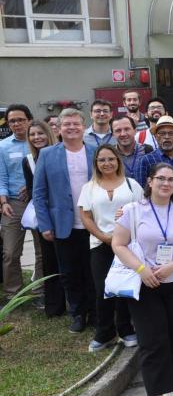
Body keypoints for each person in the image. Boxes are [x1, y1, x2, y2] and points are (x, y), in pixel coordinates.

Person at [111, 163, 173, 396]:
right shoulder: (132, 210)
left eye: (171, 179)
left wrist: (170, 268)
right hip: (144, 283)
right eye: (161, 178)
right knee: (151, 340)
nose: (166, 183)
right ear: (150, 181)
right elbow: (118, 244)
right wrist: (142, 269)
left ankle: (170, 384)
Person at [32, 108, 97, 332]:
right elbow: (39, 193)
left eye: (76, 123)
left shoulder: (96, 151)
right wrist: (45, 224)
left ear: (83, 126)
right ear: (58, 128)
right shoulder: (47, 154)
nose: (71, 127)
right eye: (66, 124)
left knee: (92, 272)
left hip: (92, 224)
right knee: (69, 273)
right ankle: (77, 313)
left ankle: (95, 313)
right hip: (62, 225)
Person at [78, 145, 143, 352]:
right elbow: (86, 217)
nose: (107, 163)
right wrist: (103, 236)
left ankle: (125, 330)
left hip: (127, 245)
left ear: (118, 161)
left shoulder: (132, 185)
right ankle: (104, 332)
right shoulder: (89, 188)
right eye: (102, 160)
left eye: (111, 159)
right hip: (101, 244)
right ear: (96, 163)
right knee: (102, 289)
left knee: (123, 287)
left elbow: (142, 211)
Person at [22, 120, 65, 315]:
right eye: (32, 134)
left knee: (69, 259)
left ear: (49, 133)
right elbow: (34, 192)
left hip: (65, 213)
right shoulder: (28, 161)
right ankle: (55, 305)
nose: (36, 137)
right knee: (49, 260)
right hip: (45, 216)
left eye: (40, 133)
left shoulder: (62, 153)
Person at [0, 104, 36, 295]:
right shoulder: (3, 146)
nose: (16, 124)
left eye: (21, 120)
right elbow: (1, 177)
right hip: (13, 204)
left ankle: (40, 291)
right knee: (10, 252)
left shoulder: (39, 141)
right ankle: (13, 293)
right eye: (12, 121)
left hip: (38, 202)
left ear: (29, 120)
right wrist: (3, 202)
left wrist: (32, 187)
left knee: (42, 251)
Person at [137, 116, 173, 183]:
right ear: (155, 136)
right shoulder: (146, 160)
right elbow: (140, 187)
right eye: (162, 134)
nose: (167, 137)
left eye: (171, 133)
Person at [112, 115, 153, 184]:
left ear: (135, 131)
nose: (123, 134)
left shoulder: (147, 150)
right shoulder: (110, 154)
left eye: (127, 129)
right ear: (113, 134)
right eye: (118, 131)